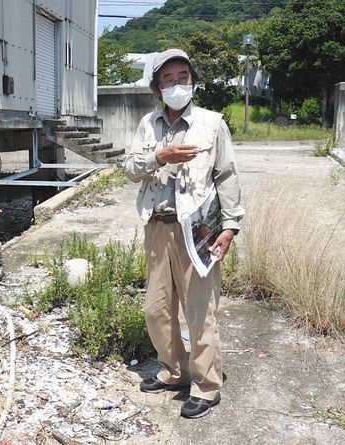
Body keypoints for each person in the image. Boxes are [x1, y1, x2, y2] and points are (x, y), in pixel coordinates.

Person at [123, 48, 244, 419]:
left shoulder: (212, 123)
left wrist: (230, 226)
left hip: (199, 228)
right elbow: (129, 168)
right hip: (158, 227)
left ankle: (206, 386)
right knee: (156, 309)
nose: (177, 85)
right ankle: (173, 370)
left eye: (183, 78)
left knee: (199, 310)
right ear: (158, 89)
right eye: (168, 80)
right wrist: (160, 157)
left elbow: (226, 175)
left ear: (193, 82)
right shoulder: (149, 124)